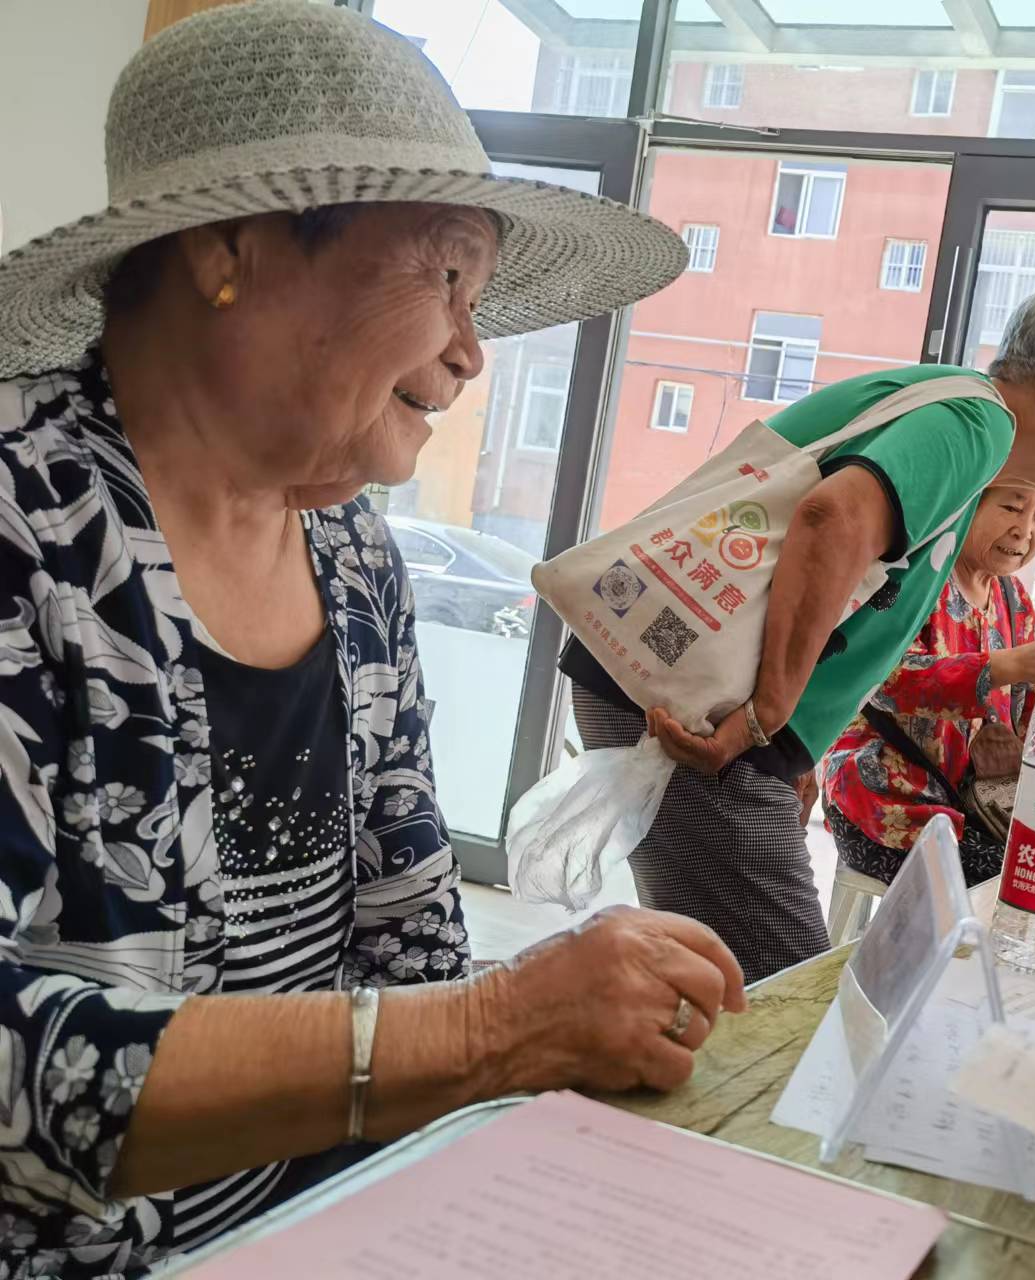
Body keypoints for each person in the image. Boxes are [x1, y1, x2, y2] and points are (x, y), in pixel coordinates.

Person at [0, 7, 746, 1276]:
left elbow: (412, 938)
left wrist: (529, 1054)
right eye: (445, 276)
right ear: (230, 250)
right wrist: (496, 1026)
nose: (470, 352)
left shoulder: (350, 553)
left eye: (480, 296)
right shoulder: (32, 525)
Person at [566, 286, 1035, 981]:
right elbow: (832, 520)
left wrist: (796, 744)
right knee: (779, 988)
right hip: (699, 699)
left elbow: (842, 594)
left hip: (679, 681)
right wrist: (770, 712)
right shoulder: (977, 423)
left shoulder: (955, 413)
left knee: (708, 973)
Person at [821, 486, 1035, 887]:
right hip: (887, 800)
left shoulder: (1015, 599)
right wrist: (1006, 666)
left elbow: (1033, 713)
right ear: (969, 502)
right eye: (1012, 507)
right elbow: (881, 679)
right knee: (1017, 881)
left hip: (976, 805)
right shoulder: (918, 576)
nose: (1025, 530)